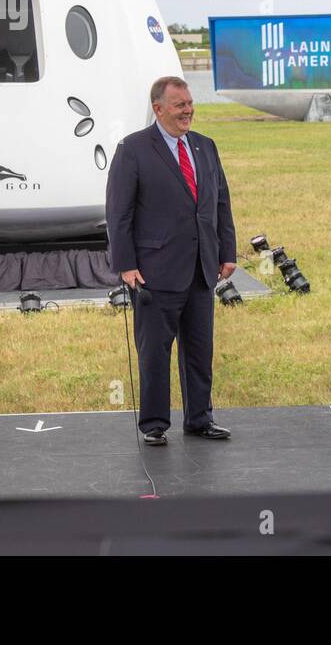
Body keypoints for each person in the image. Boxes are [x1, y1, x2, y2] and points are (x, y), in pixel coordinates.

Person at [106, 76, 237, 446]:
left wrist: (227, 251)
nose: (188, 110)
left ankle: (200, 418)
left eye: (190, 103)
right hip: (153, 273)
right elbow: (119, 213)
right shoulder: (133, 149)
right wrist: (126, 265)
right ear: (158, 108)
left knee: (199, 351)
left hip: (200, 270)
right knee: (154, 354)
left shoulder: (205, 147)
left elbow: (220, 203)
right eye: (180, 105)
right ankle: (154, 424)